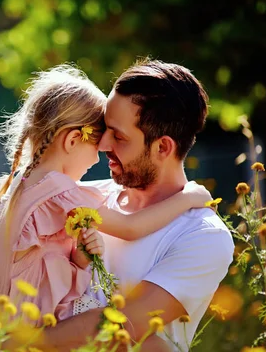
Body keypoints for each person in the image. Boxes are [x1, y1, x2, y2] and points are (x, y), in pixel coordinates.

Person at [0, 64, 213, 333]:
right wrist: (188, 197)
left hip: (2, 315)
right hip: (30, 320)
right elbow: (130, 228)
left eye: (117, 136)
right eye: (96, 142)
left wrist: (79, 260)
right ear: (72, 140)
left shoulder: (19, 184)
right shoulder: (60, 193)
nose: (101, 153)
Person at [29, 59, 235, 352]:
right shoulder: (80, 198)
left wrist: (22, 343)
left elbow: (124, 326)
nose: (102, 146)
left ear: (162, 147)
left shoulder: (202, 236)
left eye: (119, 136)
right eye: (104, 129)